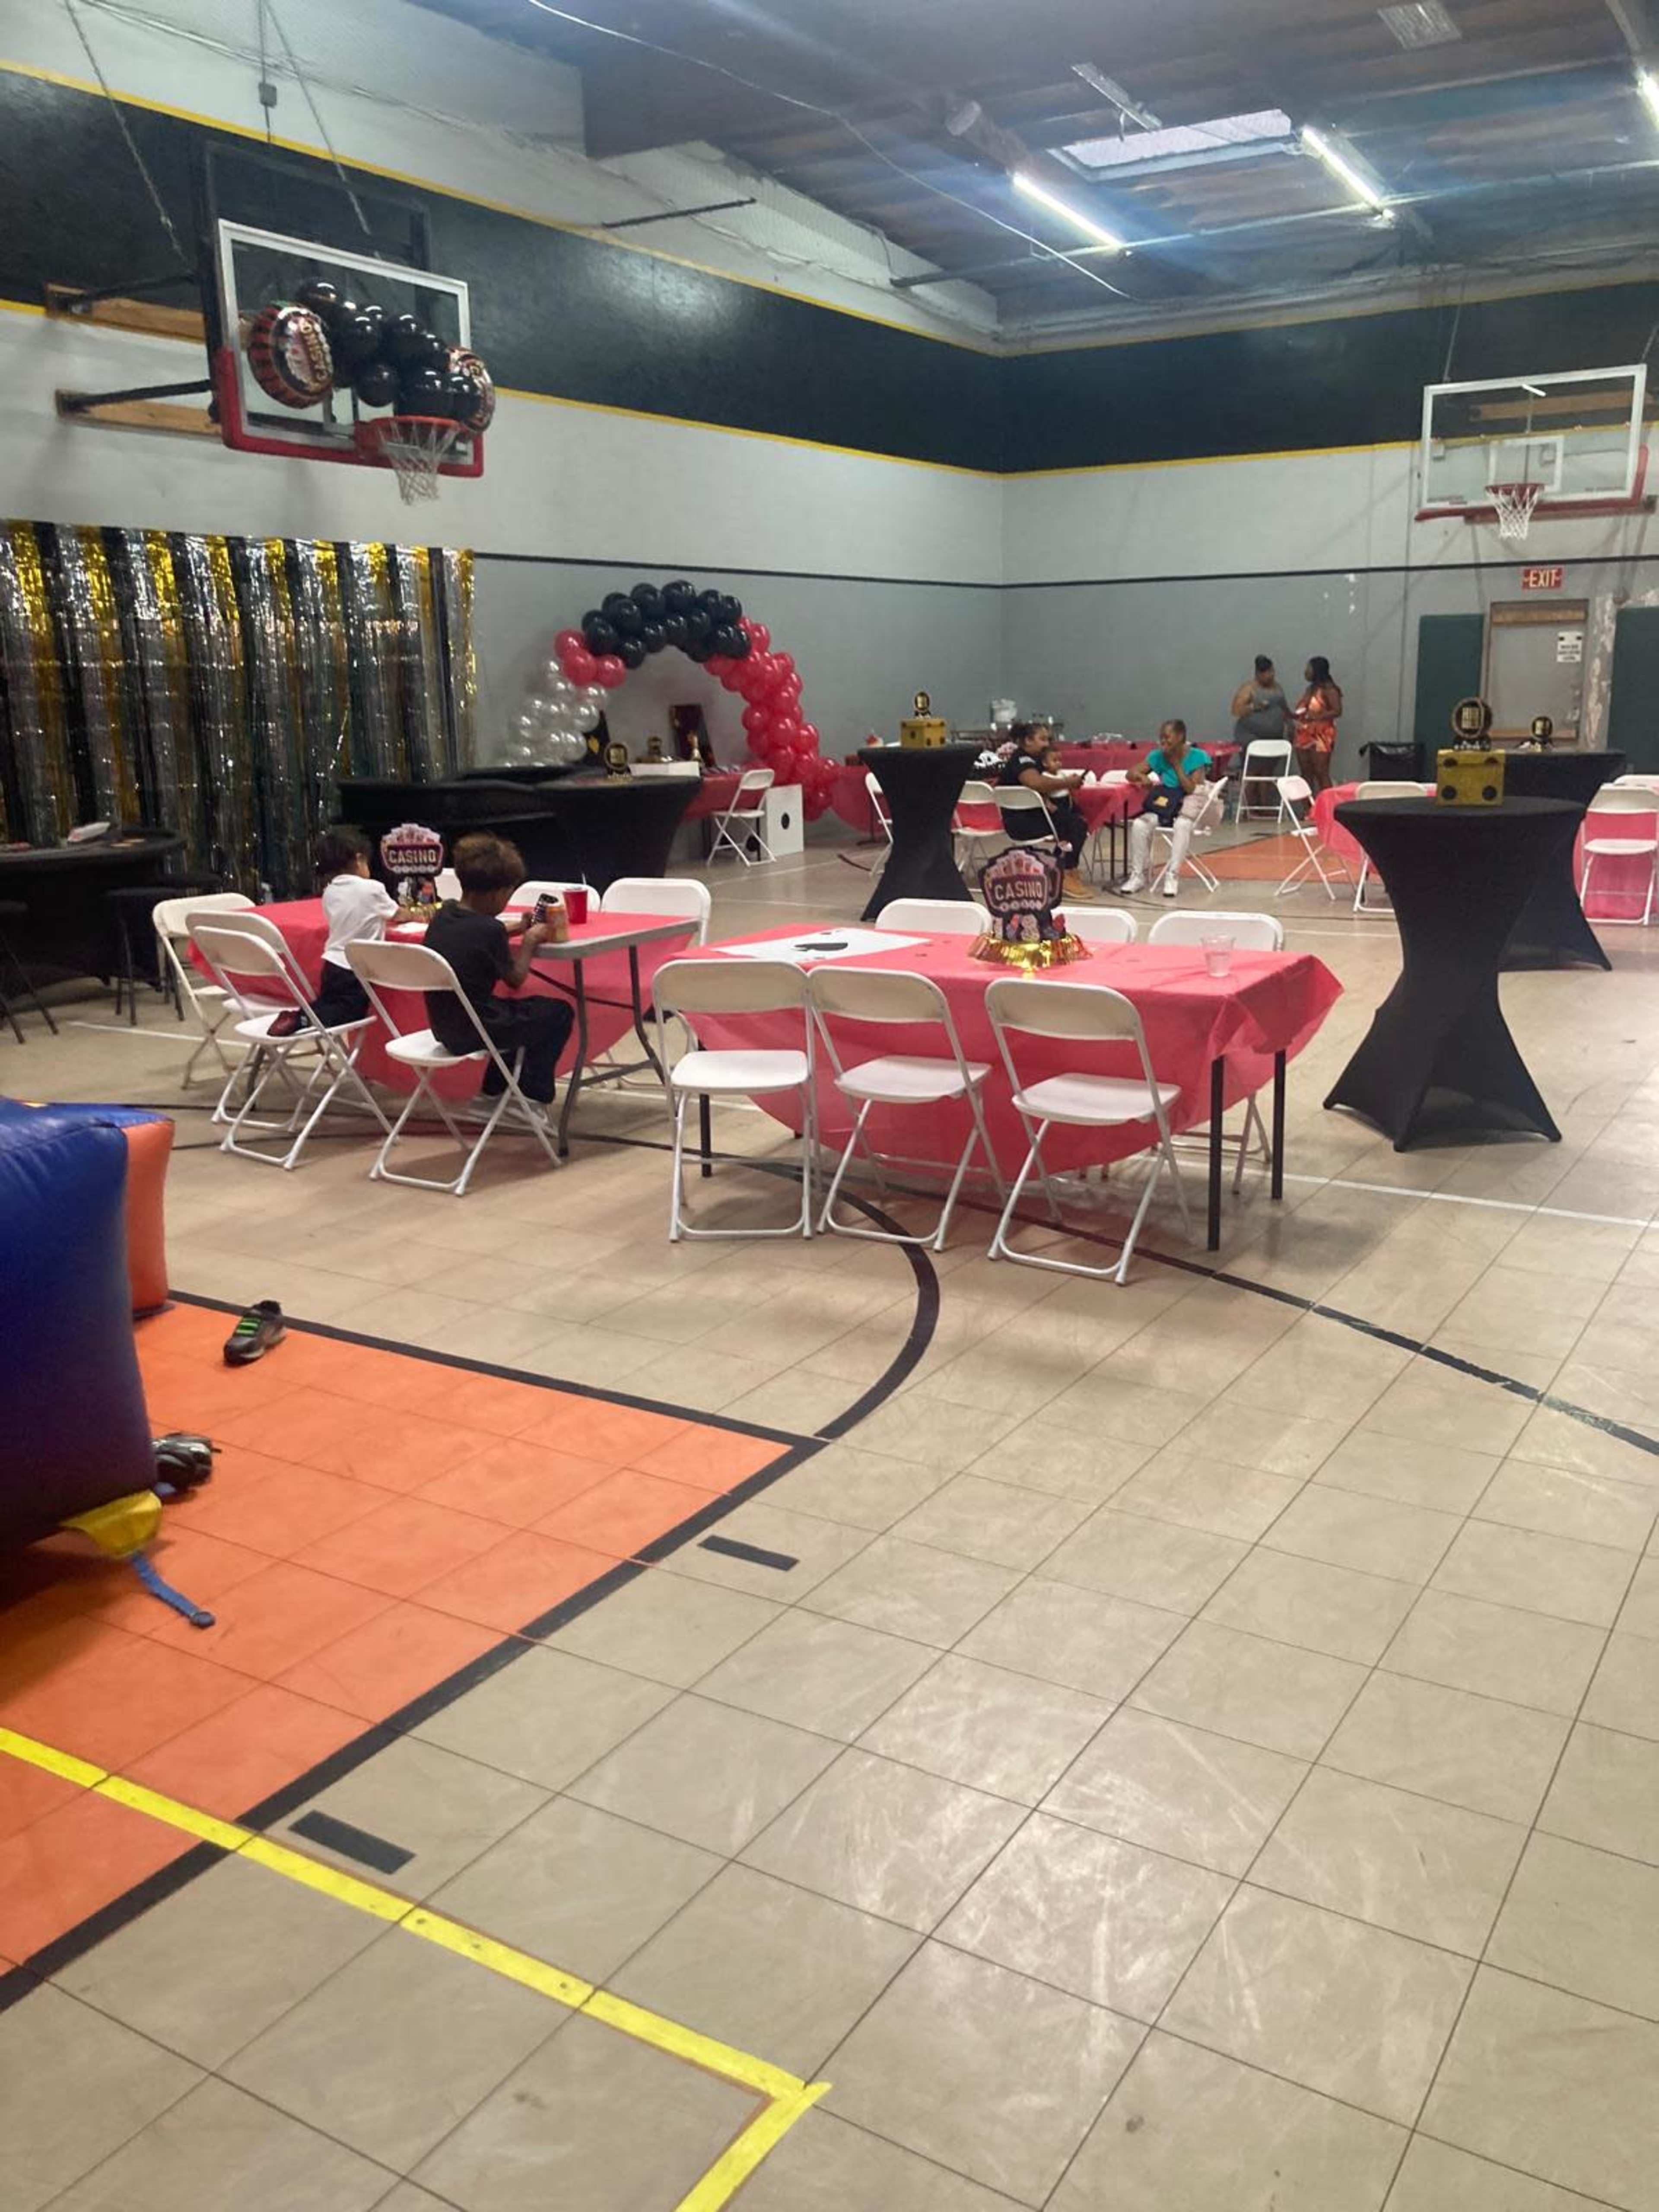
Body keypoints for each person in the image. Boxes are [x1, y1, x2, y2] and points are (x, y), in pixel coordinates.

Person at [424, 833, 575, 1114]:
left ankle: (492, 1093)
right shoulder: (489, 930)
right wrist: (529, 942)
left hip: (445, 1027)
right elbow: (516, 980)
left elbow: (472, 936)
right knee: (557, 1013)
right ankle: (531, 1096)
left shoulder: (445, 915)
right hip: (477, 1029)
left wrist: (516, 928)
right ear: (497, 893)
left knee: (519, 1015)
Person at [270, 826, 394, 1036]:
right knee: (350, 1011)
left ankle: (302, 1015)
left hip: (332, 964)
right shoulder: (373, 889)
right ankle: (302, 1018)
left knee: (331, 1002)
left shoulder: (330, 892)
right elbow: (396, 914)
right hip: (356, 968)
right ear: (359, 859)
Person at [997, 721, 1096, 902]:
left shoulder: (1038, 762)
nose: (1047, 744)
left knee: (1077, 818)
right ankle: (1064, 872)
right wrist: (1067, 783)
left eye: (1048, 739)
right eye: (1043, 739)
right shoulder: (1022, 760)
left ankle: (1063, 868)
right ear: (1028, 741)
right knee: (1076, 825)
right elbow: (1035, 783)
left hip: (1034, 816)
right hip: (1022, 822)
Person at [1118, 720, 1214, 899]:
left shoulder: (1198, 756)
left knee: (1182, 826)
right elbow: (1130, 773)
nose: (1163, 742)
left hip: (1188, 805)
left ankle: (1173, 876)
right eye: (1161, 738)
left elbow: (1191, 789)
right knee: (1140, 825)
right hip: (1166, 805)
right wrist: (1141, 777)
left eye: (1167, 738)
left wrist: (1176, 764)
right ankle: (1137, 875)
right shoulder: (1157, 756)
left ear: (1180, 737)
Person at [1292, 656, 1344, 796]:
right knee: (1306, 771)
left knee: (1321, 771)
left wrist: (1317, 717)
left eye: (1308, 669)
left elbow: (1338, 710)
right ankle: (1308, 809)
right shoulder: (1310, 689)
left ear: (1317, 671)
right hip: (1304, 733)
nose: (1306, 672)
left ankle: (1327, 806)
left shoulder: (1329, 689)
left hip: (1322, 735)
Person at [1231, 656, 1289, 747]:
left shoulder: (1277, 687)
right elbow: (1236, 710)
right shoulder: (1249, 688)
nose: (1271, 675)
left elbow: (1284, 708)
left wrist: (1291, 723)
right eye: (1267, 673)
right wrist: (1254, 707)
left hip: (1275, 739)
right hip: (1252, 738)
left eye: (1272, 671)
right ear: (1258, 674)